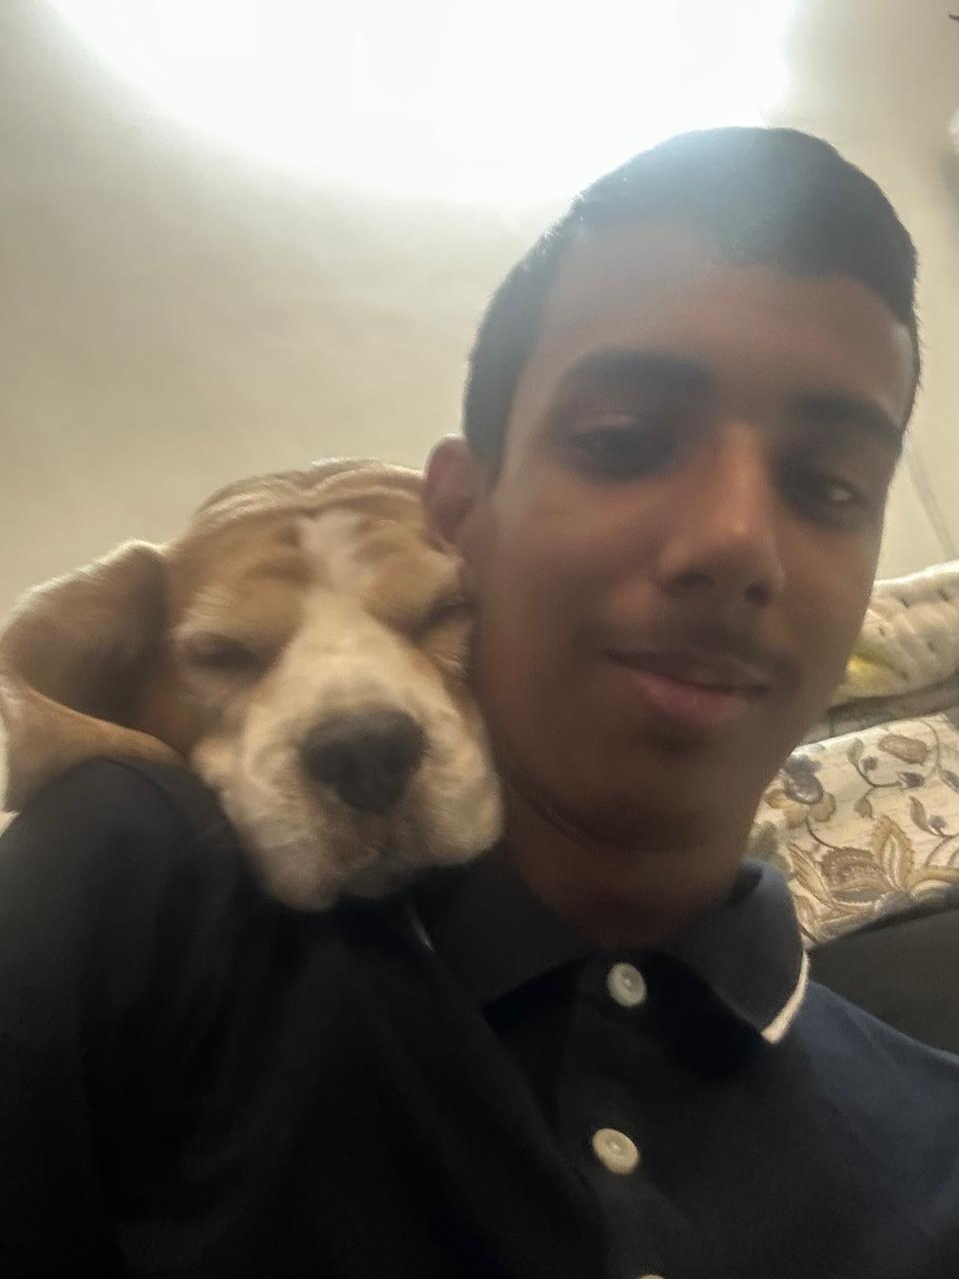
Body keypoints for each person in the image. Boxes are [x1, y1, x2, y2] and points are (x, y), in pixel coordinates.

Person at [1, 127, 957, 1279]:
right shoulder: (139, 887)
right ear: (465, 516)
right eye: (620, 441)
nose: (731, 541)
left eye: (829, 484)